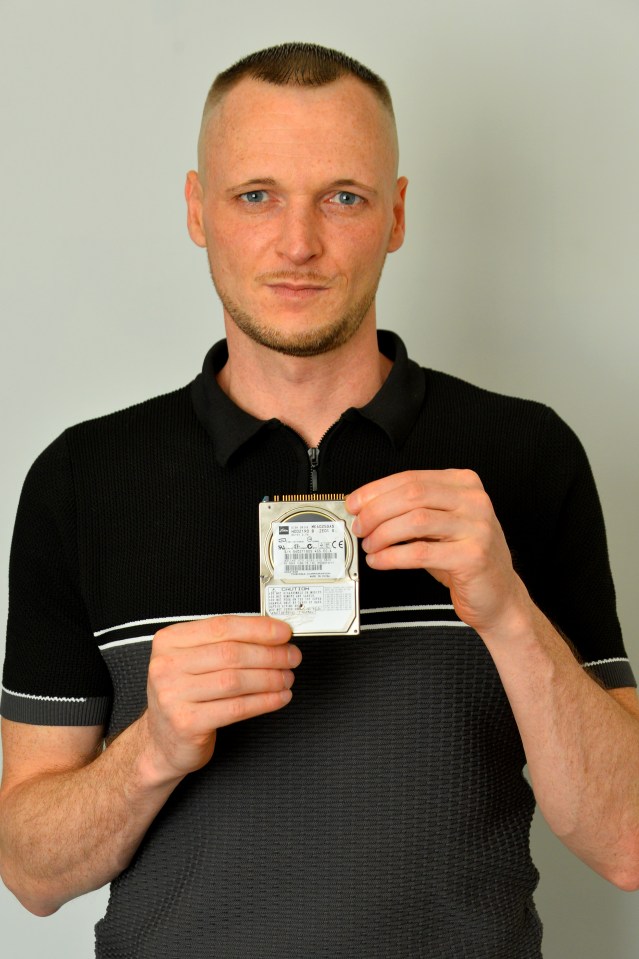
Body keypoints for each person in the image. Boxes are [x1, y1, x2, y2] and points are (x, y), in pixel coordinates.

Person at [1, 41, 638, 959]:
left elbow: (624, 841)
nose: (296, 242)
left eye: (342, 196)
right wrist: (151, 750)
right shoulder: (82, 477)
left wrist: (506, 610)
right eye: (254, 195)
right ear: (196, 209)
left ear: (396, 215)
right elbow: (29, 871)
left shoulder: (528, 454)